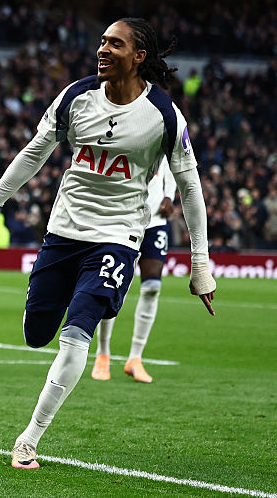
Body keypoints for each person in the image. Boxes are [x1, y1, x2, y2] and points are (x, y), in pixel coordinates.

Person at [0, 18, 216, 470]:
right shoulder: (76, 97)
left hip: (118, 237)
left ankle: (28, 439)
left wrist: (200, 265)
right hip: (63, 233)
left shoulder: (164, 116)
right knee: (37, 334)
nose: (102, 49)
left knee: (76, 335)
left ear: (138, 56)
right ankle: (51, 317)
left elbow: (191, 190)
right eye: (101, 42)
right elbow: (34, 153)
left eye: (114, 44)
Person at [91, 154, 177, 383]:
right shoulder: (126, 124)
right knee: (112, 285)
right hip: (123, 218)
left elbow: (175, 160)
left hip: (156, 220)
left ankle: (135, 358)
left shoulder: (166, 124)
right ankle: (103, 354)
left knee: (151, 288)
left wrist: (169, 195)